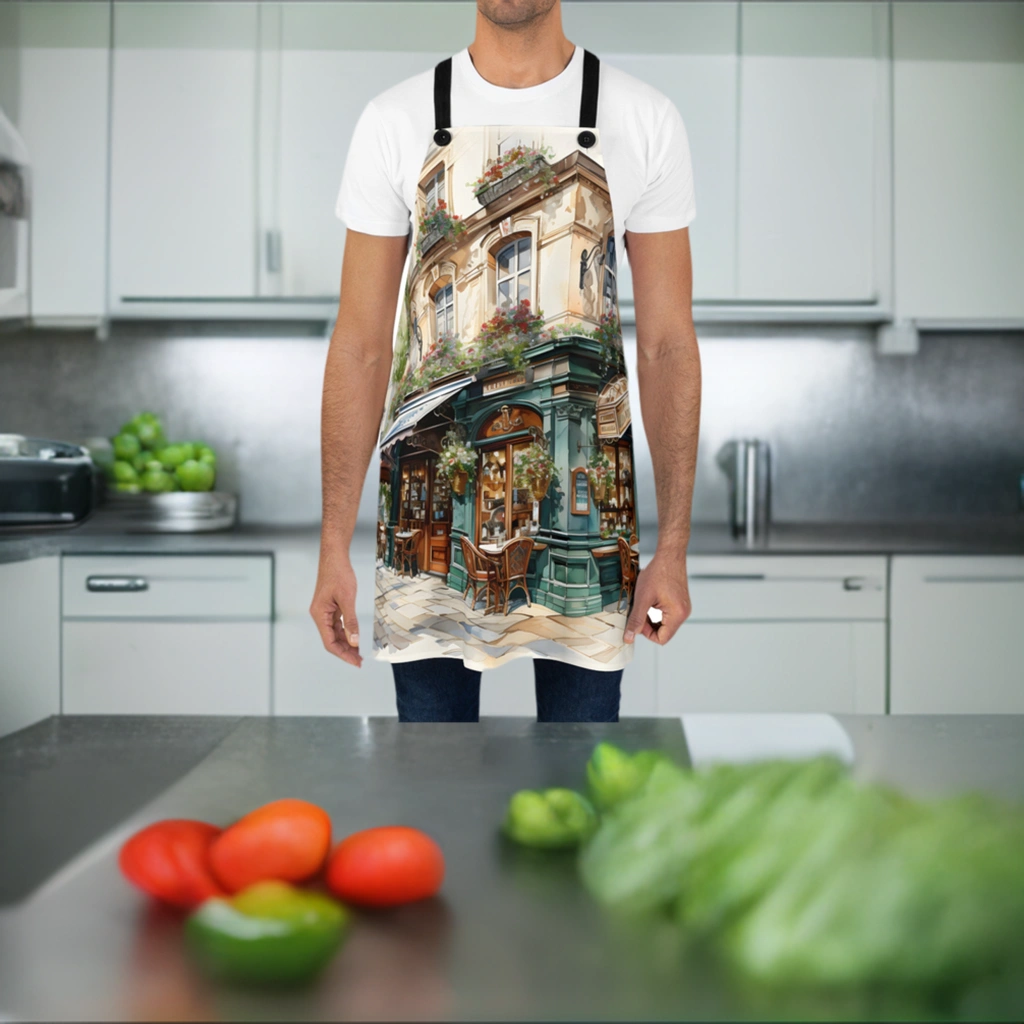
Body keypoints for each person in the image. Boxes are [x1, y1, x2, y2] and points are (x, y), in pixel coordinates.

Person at [311, 0, 701, 723]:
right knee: (432, 785)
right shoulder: (394, 120)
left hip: (595, 542)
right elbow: (361, 343)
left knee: (579, 789)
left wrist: (672, 546)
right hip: (418, 551)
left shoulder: (644, 118)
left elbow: (669, 342)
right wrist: (333, 542)